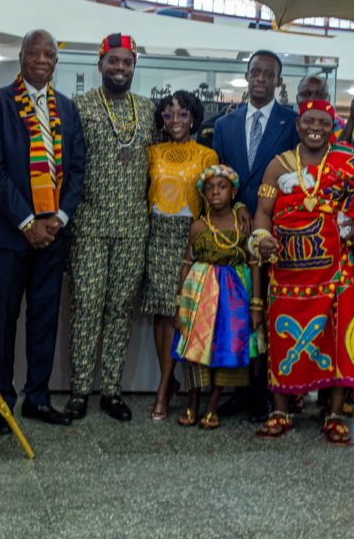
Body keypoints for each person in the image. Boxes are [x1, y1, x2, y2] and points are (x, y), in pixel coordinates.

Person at [251, 100, 354, 445]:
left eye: (323, 121)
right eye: (309, 121)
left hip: (337, 271)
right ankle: (280, 412)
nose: (315, 127)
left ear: (333, 126)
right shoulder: (279, 165)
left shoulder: (347, 159)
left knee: (342, 341)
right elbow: (263, 210)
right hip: (286, 272)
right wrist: (261, 238)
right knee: (282, 340)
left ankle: (335, 416)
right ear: (298, 125)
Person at [0, 31, 85, 433]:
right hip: (9, 234)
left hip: (54, 234)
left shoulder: (67, 109)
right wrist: (28, 221)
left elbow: (76, 170)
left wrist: (58, 218)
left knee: (44, 319)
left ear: (57, 61)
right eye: (34, 52)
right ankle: (2, 405)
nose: (42, 59)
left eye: (50, 54)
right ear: (20, 56)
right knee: (4, 322)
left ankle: (37, 399)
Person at [66, 33, 157, 422]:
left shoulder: (149, 109)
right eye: (114, 61)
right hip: (89, 221)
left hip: (134, 225)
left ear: (134, 67)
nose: (121, 68)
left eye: (127, 63)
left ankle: (113, 391)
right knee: (86, 305)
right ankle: (79, 390)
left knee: (120, 308)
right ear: (100, 63)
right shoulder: (79, 106)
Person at [212, 50, 299, 422]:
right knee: (239, 313)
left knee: (268, 312)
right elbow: (218, 175)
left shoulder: (293, 124)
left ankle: (267, 393)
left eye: (269, 74)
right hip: (234, 231)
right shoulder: (224, 125)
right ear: (246, 76)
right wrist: (232, 210)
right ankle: (241, 391)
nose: (261, 79)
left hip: (276, 234)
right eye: (256, 72)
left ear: (279, 81)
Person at [143, 90, 218, 420]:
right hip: (156, 234)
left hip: (188, 236)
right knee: (159, 311)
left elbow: (214, 201)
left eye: (182, 114)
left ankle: (163, 388)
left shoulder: (207, 156)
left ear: (194, 118)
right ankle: (167, 381)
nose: (175, 121)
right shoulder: (153, 152)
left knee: (178, 311)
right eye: (168, 114)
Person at [173, 165, 261, 429]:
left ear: (233, 191)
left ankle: (213, 402)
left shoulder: (244, 224)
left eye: (221, 187)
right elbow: (187, 263)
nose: (215, 193)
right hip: (199, 294)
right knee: (195, 347)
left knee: (228, 347)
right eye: (209, 188)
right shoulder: (198, 226)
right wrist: (179, 304)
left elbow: (255, 263)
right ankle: (193, 399)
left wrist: (257, 305)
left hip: (234, 297)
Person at [295, 75, 354, 151]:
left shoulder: (341, 127)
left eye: (320, 95)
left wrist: (352, 119)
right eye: (305, 94)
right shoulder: (289, 123)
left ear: (329, 99)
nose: (313, 99)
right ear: (297, 99)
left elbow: (340, 155)